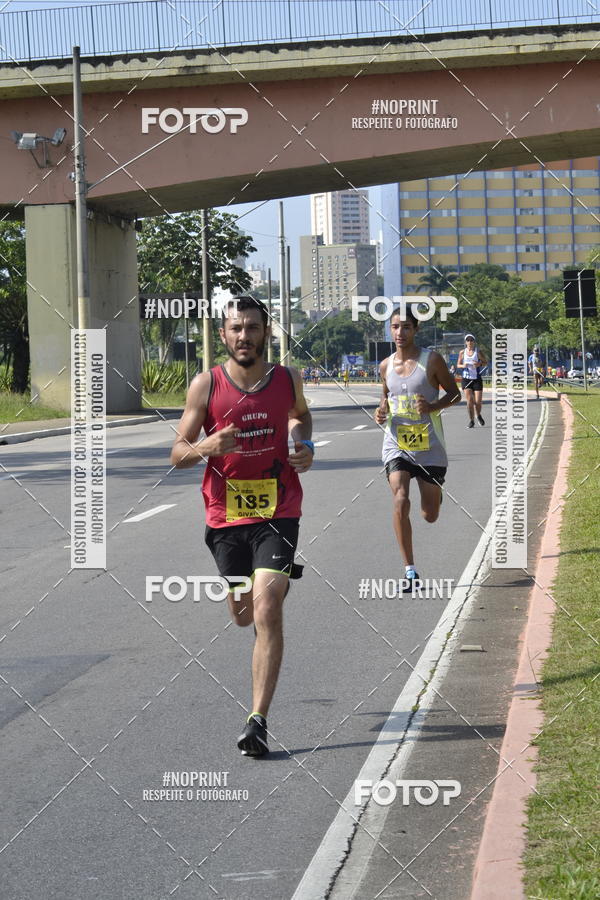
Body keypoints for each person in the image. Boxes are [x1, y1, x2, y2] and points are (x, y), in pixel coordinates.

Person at [170, 296, 314, 757]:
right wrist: (207, 445)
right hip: (226, 516)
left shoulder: (287, 378)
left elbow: (301, 415)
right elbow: (177, 455)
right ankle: (274, 578)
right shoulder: (205, 386)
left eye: (252, 328)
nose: (244, 336)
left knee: (267, 604)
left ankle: (257, 721)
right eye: (235, 328)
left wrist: (302, 441)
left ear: (266, 332)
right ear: (224, 334)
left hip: (278, 508)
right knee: (242, 615)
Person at [374, 306, 460, 589]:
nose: (400, 332)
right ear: (390, 329)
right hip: (396, 442)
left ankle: (435, 497)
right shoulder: (385, 366)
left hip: (429, 445)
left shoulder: (431, 360)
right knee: (400, 498)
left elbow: (455, 393)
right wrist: (381, 411)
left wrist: (433, 406)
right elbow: (386, 397)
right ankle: (410, 568)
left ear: (416, 330)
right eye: (396, 326)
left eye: (406, 327)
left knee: (429, 514)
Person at [457, 334, 488, 427]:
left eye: (471, 340)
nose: (470, 342)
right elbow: (458, 364)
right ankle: (471, 421)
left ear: (474, 342)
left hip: (477, 379)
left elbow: (485, 362)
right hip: (466, 379)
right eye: (468, 340)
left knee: (478, 402)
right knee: (470, 400)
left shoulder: (478, 352)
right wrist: (463, 365)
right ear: (465, 342)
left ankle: (478, 415)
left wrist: (478, 364)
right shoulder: (462, 352)